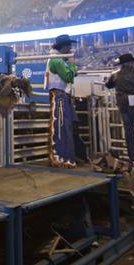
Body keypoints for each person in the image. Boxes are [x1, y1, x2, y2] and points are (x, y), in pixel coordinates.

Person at [45, 34, 86, 168]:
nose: (70, 48)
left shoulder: (57, 60)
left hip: (60, 95)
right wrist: (73, 66)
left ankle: (67, 157)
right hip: (59, 95)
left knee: (64, 126)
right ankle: (63, 158)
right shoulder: (57, 60)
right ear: (64, 47)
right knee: (62, 126)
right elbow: (68, 76)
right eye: (69, 46)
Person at [105, 53, 134, 162]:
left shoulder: (115, 74)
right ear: (131, 62)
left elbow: (108, 85)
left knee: (128, 130)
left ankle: (133, 156)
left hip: (122, 104)